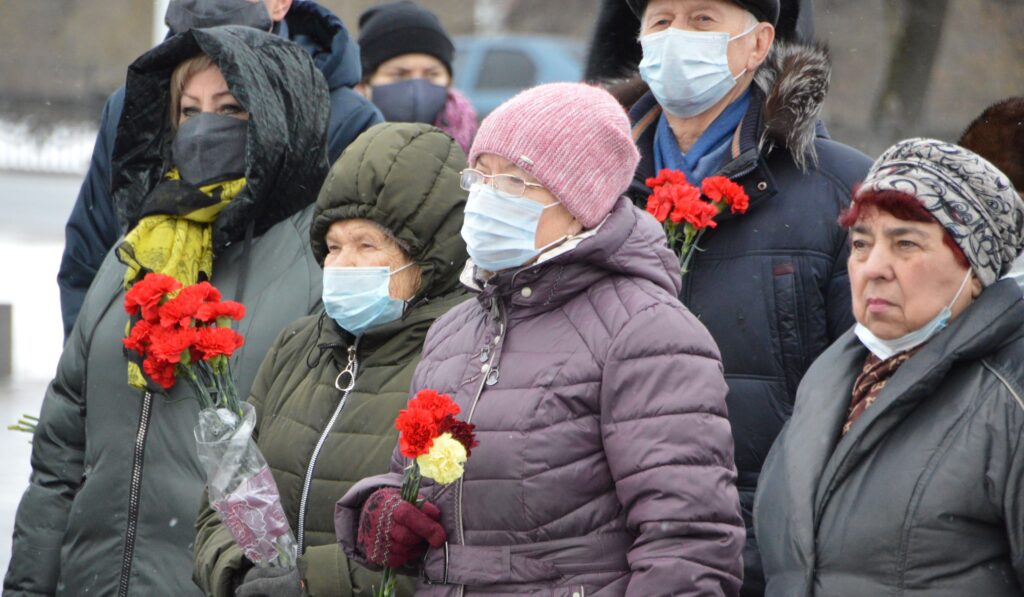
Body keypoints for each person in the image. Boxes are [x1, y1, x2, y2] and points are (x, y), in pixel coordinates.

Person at [335, 82, 745, 595]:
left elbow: (689, 543)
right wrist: (386, 509)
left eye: (513, 181)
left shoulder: (646, 331)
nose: (485, 198)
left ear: (579, 204)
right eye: (480, 176)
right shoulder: (456, 331)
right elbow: (417, 481)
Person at [5, 27, 330, 596]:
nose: (204, 128)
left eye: (231, 110)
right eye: (189, 110)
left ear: (279, 118)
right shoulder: (139, 247)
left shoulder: (318, 265)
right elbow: (61, 451)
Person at [623, 1, 873, 592]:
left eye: (703, 19)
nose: (677, 38)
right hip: (612, 543)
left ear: (759, 43)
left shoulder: (840, 189)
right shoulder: (591, 192)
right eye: (661, 21)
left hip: (768, 551)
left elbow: (869, 393)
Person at [193, 122, 470, 597]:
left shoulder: (460, 363)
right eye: (333, 247)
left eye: (367, 245)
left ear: (427, 259)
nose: (343, 265)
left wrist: (310, 584)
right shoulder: (296, 347)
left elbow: (455, 546)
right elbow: (222, 497)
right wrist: (239, 570)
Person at [754, 138, 1024, 596]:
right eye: (861, 243)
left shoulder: (1009, 395)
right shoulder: (830, 377)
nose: (873, 267)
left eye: (905, 244)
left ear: (974, 271)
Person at [57, 0, 382, 340]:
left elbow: (361, 280)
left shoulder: (345, 118)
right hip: (149, 371)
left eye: (229, 108)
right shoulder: (134, 107)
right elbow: (90, 262)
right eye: (190, 111)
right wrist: (90, 373)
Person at [355, 0, 478, 154]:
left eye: (432, 74)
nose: (417, 86)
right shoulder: (337, 146)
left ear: (449, 80)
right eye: (399, 74)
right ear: (363, 83)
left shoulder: (477, 155)